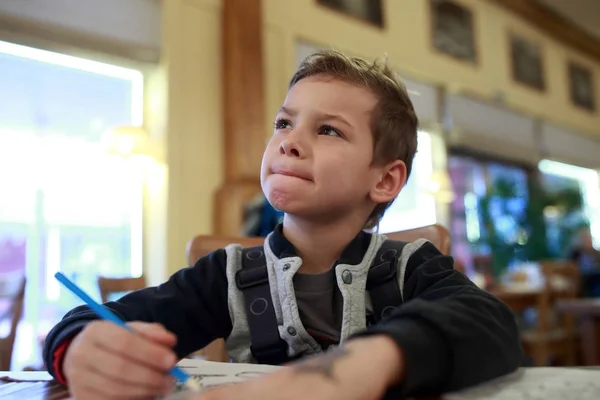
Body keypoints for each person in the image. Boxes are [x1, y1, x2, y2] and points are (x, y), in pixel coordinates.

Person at [43, 50, 522, 400]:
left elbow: (491, 324)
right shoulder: (225, 275)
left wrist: (358, 369)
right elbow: (86, 323)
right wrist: (85, 348)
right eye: (284, 123)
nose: (289, 143)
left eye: (328, 129)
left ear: (385, 179)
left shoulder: (410, 267)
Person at [569, 227, 600, 297]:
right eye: (586, 240)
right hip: (580, 280)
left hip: (595, 279)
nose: (589, 242)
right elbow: (570, 267)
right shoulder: (575, 254)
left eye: (590, 240)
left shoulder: (597, 253)